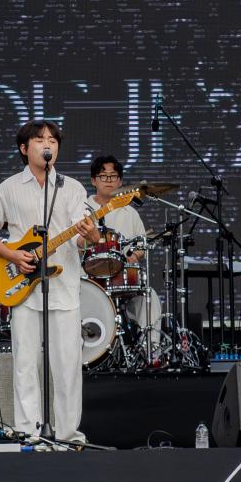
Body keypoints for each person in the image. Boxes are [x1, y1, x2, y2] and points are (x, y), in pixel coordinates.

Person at [0, 121, 99, 442]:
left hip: (64, 286)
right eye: (40, 140)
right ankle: (29, 433)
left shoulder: (72, 188)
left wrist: (90, 234)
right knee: (26, 364)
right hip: (23, 287)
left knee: (67, 366)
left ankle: (68, 435)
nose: (48, 145)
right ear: (24, 148)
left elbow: (83, 237)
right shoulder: (8, 188)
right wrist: (13, 255)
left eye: (53, 141)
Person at [88, 153, 163, 360]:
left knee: (149, 297)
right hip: (89, 280)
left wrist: (135, 256)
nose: (108, 180)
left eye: (113, 176)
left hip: (122, 280)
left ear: (120, 181)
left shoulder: (130, 212)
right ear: (94, 180)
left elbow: (141, 244)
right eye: (103, 176)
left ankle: (150, 353)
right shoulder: (83, 208)